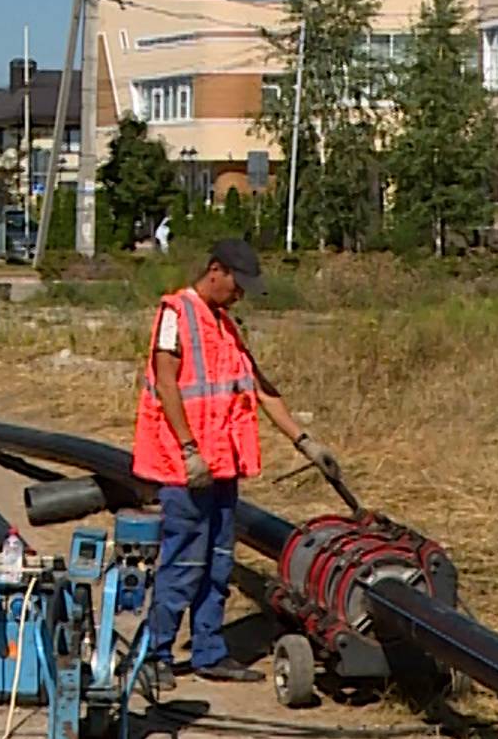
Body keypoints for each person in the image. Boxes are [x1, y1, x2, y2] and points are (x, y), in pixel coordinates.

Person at [132, 237, 341, 684]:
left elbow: (261, 389)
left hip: (221, 465)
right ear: (215, 271)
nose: (240, 293)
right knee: (184, 562)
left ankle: (209, 651)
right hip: (185, 467)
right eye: (237, 284)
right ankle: (155, 656)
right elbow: (168, 386)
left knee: (218, 562)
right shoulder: (175, 315)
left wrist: (306, 442)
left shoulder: (226, 326)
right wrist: (190, 450)